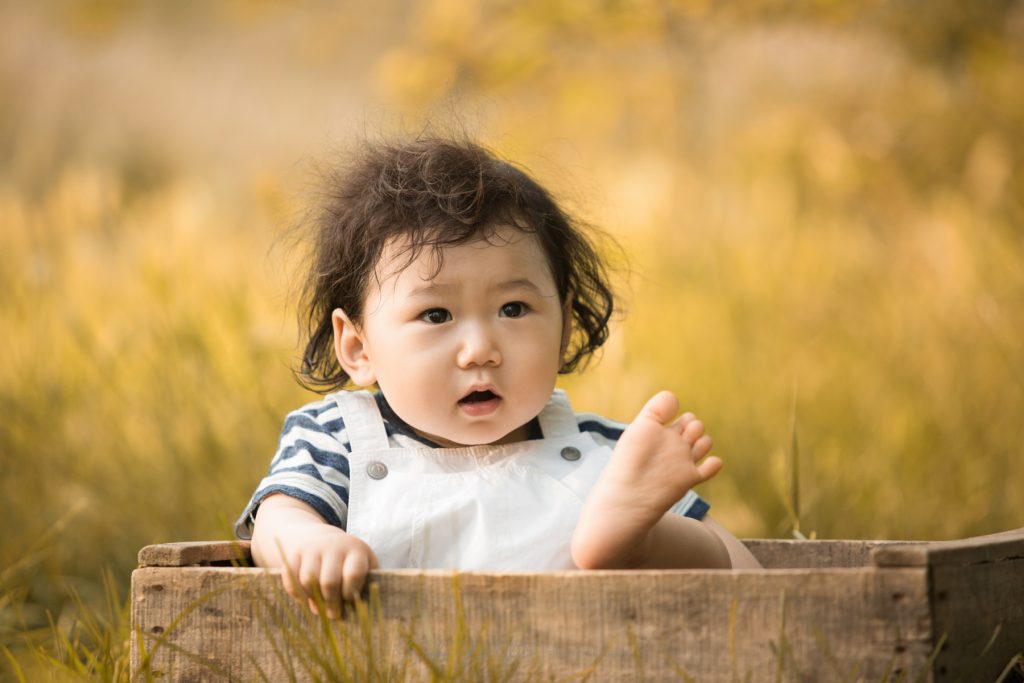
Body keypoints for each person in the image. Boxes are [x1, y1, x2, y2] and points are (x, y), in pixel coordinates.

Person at [235, 137, 760, 619]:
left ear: (564, 328)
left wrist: (647, 538)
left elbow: (751, 579)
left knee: (691, 546)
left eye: (513, 308)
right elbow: (276, 520)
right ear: (358, 347)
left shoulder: (609, 453)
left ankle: (631, 544)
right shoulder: (338, 439)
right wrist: (308, 543)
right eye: (436, 315)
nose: (480, 350)